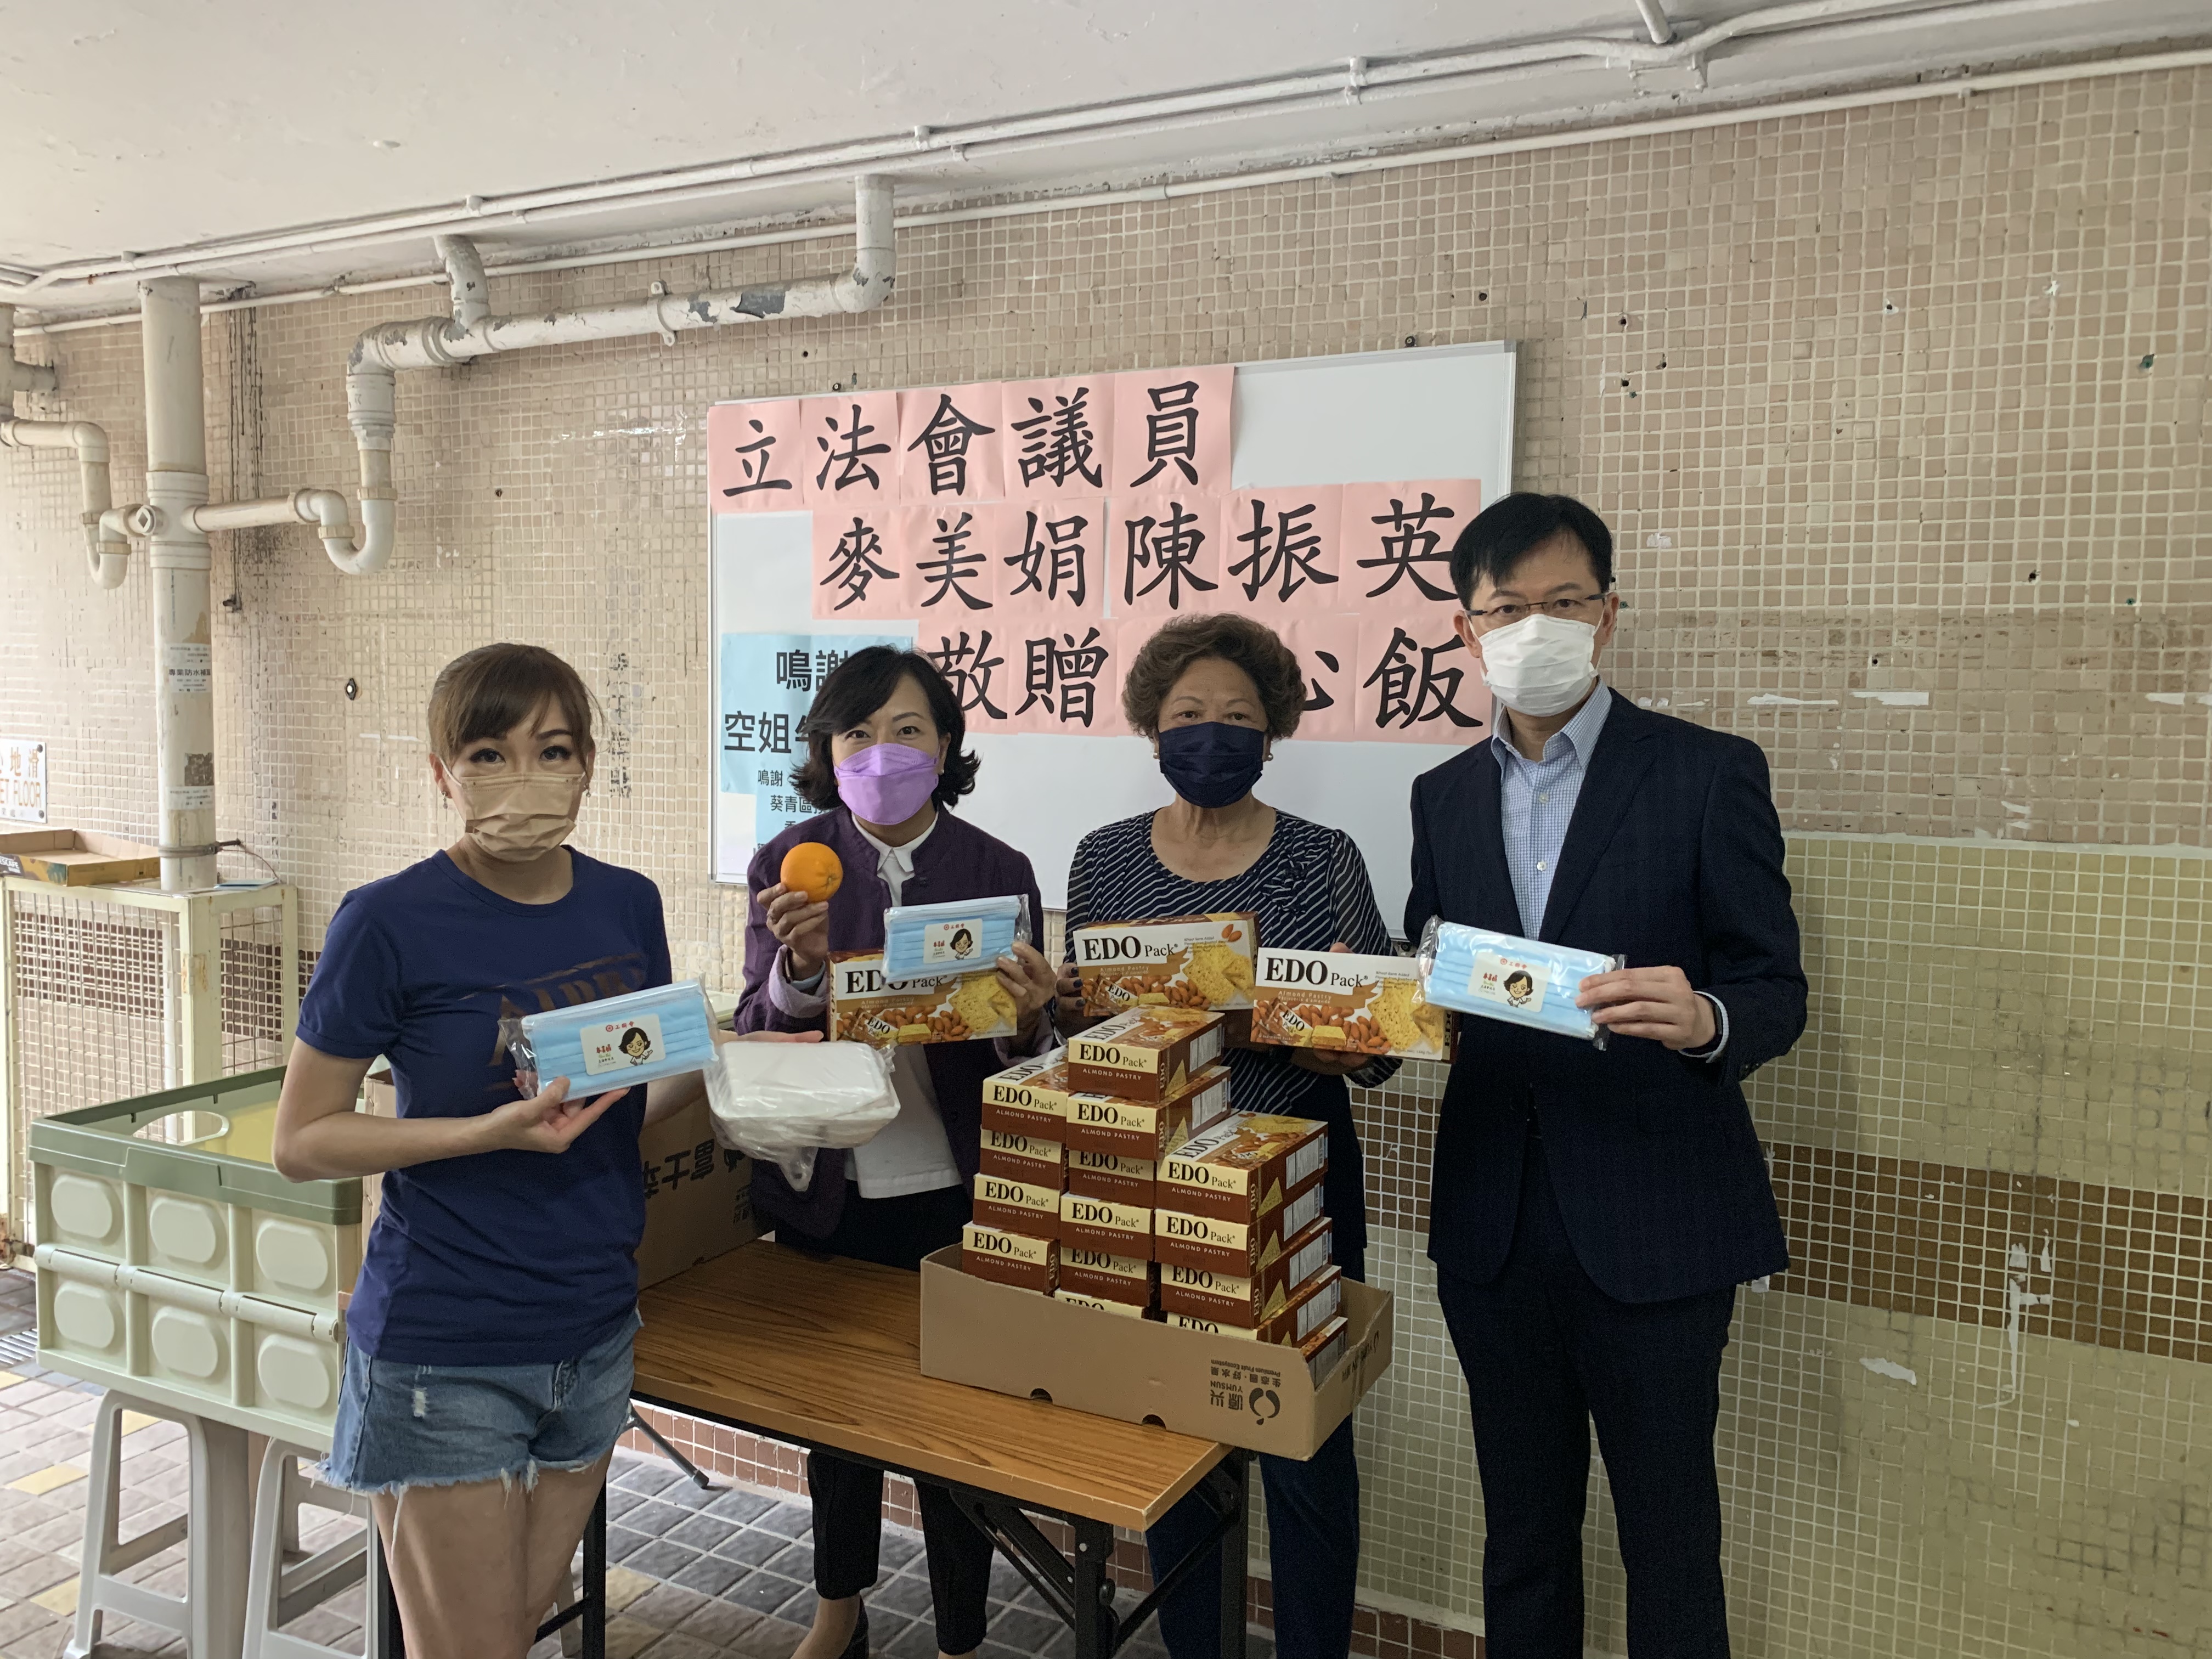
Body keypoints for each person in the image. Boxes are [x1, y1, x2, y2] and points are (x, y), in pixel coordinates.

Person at [272, 643, 812, 1659]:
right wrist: (488, 1132)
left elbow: (626, 1103)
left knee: (510, 1633)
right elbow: (301, 1140)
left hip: (594, 1327)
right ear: (443, 773)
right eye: (489, 753)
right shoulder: (386, 922)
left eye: (553, 749)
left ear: (588, 766)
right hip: (447, 1340)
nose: (525, 775)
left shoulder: (626, 904)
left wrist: (730, 1057)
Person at [1406, 493, 1806, 1658]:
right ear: (1468, 631)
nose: (1536, 628)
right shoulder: (1442, 795)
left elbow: (1775, 987)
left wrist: (1706, 1018)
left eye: (1565, 602)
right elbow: (1435, 964)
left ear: (1609, 616)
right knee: (1524, 1536)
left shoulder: (1707, 772)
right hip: (1493, 1223)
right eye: (1506, 609)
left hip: (1657, 1223)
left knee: (1669, 1542)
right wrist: (1378, 1007)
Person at [1057, 613, 1393, 1659]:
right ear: (1153, 726)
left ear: (1274, 730)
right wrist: (1067, 1015)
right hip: (1154, 1183)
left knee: (1305, 1451)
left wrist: (1324, 1039)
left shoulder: (1323, 859)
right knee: (1177, 1443)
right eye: (1191, 713)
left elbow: (1377, 1042)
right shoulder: (1103, 858)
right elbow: (1090, 1027)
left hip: (1296, 1189)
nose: (1213, 733)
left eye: (1239, 716)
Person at [734, 645, 1060, 1659]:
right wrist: (800, 970)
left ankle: (961, 1631)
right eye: (859, 733)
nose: (883, 752)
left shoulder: (998, 870)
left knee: (956, 1428)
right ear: (828, 753)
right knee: (836, 1420)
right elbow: (757, 1026)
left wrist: (1029, 1019)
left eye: (908, 730)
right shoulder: (788, 862)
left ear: (946, 745)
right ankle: (839, 1609)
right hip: (832, 1186)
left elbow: (1030, 1052)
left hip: (956, 1185)